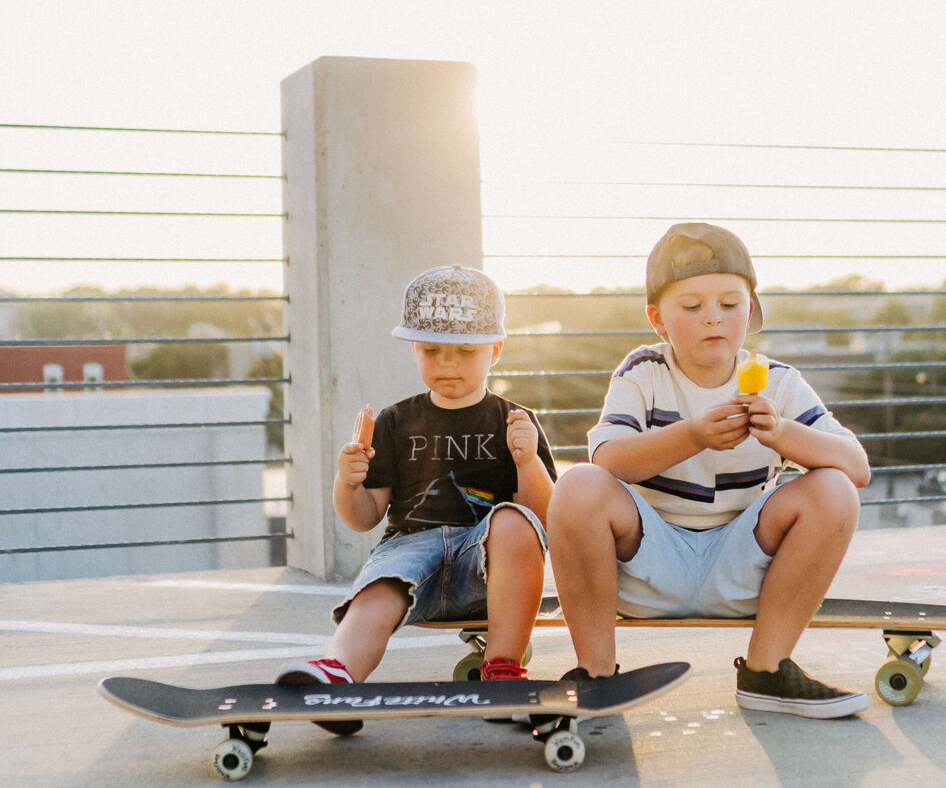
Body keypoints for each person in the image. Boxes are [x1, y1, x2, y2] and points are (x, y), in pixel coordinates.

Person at [547, 223, 871, 719]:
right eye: (691, 307)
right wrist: (693, 435)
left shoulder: (779, 382)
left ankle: (767, 668)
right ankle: (596, 673)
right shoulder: (642, 372)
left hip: (744, 567)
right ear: (658, 319)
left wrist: (784, 435)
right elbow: (609, 459)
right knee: (577, 485)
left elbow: (857, 467)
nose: (712, 319)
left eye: (728, 304)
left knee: (834, 488)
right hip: (648, 566)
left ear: (752, 310)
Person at [277, 264, 557, 734]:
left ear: (496, 351)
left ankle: (503, 669)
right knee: (378, 588)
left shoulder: (515, 421)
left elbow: (544, 518)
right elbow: (364, 518)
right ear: (413, 349)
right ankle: (339, 674)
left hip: (484, 563)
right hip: (412, 551)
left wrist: (527, 463)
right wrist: (347, 484)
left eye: (465, 352)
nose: (447, 364)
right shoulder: (395, 421)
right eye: (432, 350)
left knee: (512, 522)